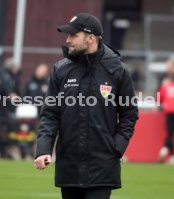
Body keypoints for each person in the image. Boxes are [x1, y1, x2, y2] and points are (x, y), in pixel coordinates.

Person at [34, 13, 139, 199]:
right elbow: (50, 113)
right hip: (69, 166)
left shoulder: (117, 70)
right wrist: (43, 149)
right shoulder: (61, 69)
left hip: (103, 166)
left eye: (74, 35)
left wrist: (116, 147)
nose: (68, 40)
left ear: (91, 38)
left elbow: (129, 113)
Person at [0, 57, 21, 159]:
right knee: (4, 132)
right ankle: (4, 153)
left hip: (3, 111)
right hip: (3, 112)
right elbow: (9, 92)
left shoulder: (4, 76)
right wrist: (13, 96)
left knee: (6, 133)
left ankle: (5, 152)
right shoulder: (6, 77)